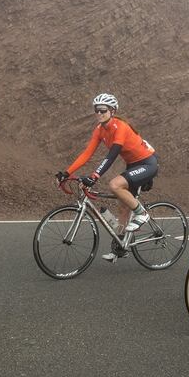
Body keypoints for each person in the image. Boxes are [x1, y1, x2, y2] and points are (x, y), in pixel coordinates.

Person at [56, 93, 158, 262]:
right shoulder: (100, 130)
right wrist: (66, 173)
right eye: (96, 110)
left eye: (103, 110)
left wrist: (94, 176)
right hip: (133, 166)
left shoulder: (121, 127)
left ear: (112, 111)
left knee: (115, 185)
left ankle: (142, 214)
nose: (99, 113)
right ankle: (121, 247)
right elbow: (87, 154)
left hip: (147, 163)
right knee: (123, 208)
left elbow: (112, 155)